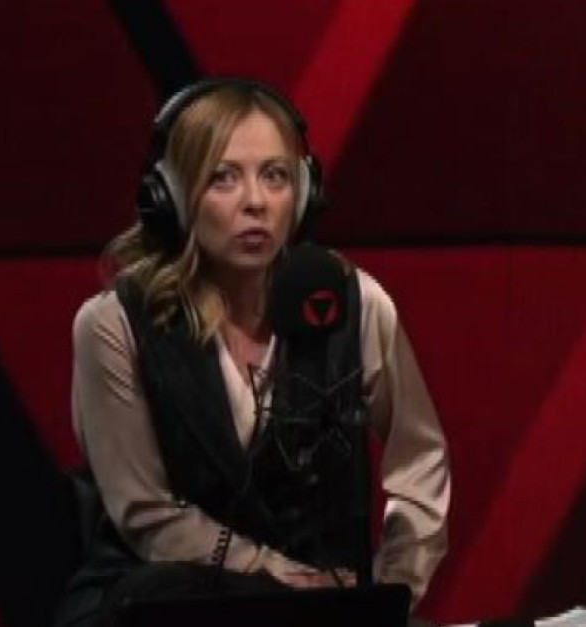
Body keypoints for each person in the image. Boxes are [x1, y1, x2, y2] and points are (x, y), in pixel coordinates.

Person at [55, 78, 449, 627]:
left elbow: (419, 459)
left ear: (304, 192)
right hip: (165, 603)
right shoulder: (112, 324)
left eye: (275, 176)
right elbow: (145, 512)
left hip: (321, 608)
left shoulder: (352, 303)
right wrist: (271, 574)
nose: (256, 202)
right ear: (172, 195)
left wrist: (392, 588)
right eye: (224, 177)